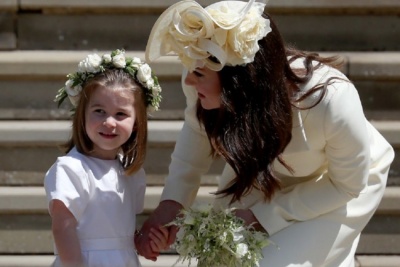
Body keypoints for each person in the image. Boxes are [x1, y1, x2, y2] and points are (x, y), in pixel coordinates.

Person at [136, 0, 395, 266]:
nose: (189, 80)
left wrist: (263, 215)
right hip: (265, 170)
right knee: (222, 259)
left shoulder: (332, 100)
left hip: (336, 185)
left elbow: (347, 185)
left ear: (239, 79)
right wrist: (171, 205)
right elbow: (195, 137)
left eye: (198, 74)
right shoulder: (201, 77)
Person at [44, 49, 166, 267]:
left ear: (137, 122)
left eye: (120, 114)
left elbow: (117, 232)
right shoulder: (72, 169)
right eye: (99, 111)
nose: (109, 122)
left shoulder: (131, 172)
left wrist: (141, 241)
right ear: (82, 115)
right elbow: (63, 226)